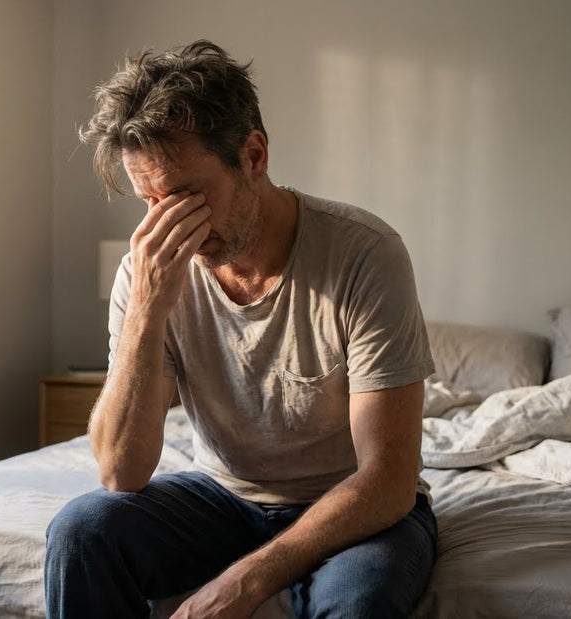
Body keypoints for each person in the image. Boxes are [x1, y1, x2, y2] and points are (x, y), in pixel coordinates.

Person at [45, 39, 438, 619]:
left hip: (354, 506)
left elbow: (387, 480)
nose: (167, 225)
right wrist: (148, 310)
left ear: (253, 156)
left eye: (183, 196)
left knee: (360, 603)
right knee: (81, 532)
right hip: (224, 496)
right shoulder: (147, 269)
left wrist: (245, 582)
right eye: (148, 202)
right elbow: (121, 472)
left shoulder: (364, 253)